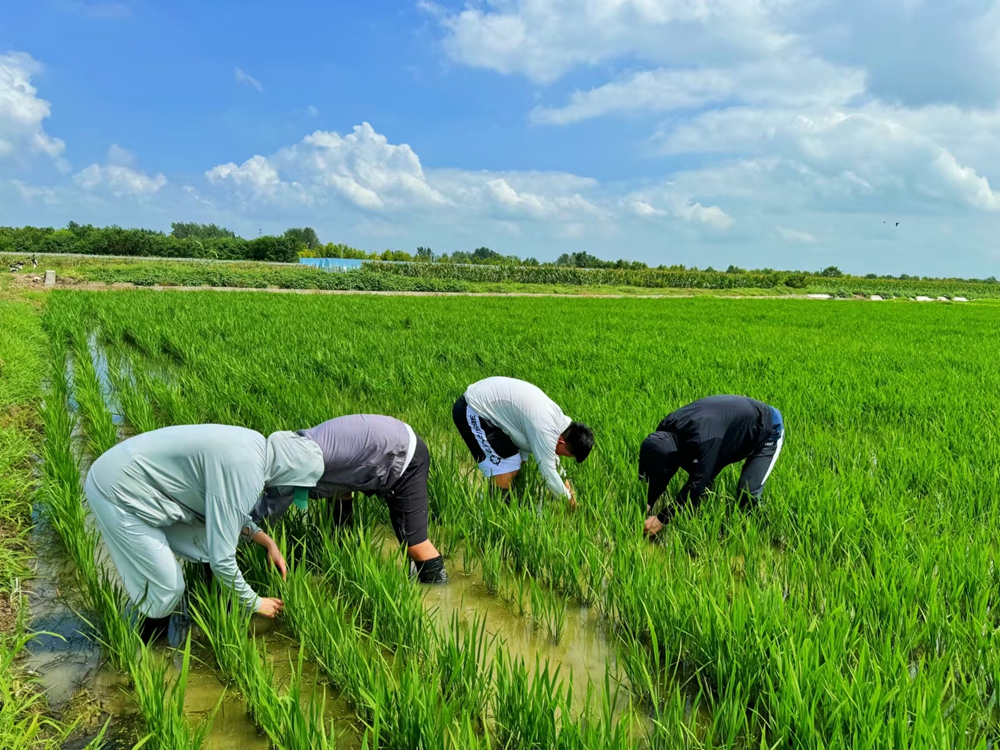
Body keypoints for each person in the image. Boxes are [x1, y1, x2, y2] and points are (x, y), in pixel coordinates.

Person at [84, 425, 325, 639]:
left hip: (135, 480)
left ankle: (210, 613)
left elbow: (225, 513)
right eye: (294, 486)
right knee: (167, 586)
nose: (288, 492)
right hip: (118, 490)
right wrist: (256, 602)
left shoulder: (254, 449)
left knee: (204, 544)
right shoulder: (246, 473)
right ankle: (149, 655)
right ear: (288, 472)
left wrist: (267, 542)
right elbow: (222, 559)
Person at [252, 414, 448, 584]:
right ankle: (342, 550)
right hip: (386, 436)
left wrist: (237, 534)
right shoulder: (286, 447)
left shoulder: (290, 467)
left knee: (414, 543)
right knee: (335, 491)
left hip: (402, 453)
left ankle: (438, 590)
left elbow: (264, 514)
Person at [639, 395, 784, 536]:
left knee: (747, 491)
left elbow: (698, 482)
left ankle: (766, 532)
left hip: (767, 426)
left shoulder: (703, 439)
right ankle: (699, 517)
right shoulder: (663, 430)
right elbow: (664, 471)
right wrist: (649, 501)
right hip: (727, 425)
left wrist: (662, 519)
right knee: (701, 474)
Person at [452, 376, 594, 505]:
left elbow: (553, 462)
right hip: (472, 409)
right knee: (507, 464)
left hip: (488, 404)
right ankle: (496, 511)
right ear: (562, 442)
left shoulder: (559, 423)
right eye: (564, 454)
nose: (559, 456)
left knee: (518, 463)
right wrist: (570, 503)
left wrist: (566, 487)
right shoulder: (545, 428)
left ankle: (501, 503)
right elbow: (548, 472)